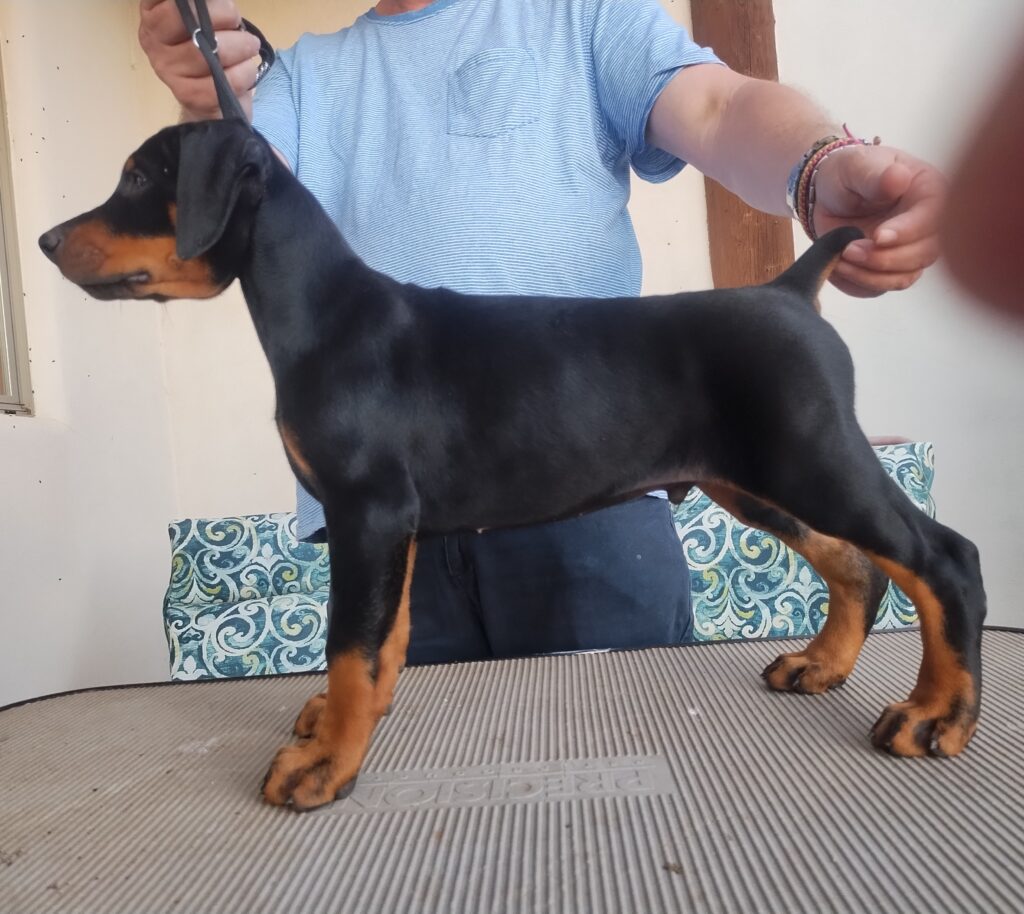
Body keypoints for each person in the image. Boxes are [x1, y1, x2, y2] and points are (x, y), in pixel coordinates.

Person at [139, 0, 946, 664]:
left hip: (591, 503)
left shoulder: (579, 13)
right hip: (386, 526)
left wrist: (820, 167)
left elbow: (720, 104)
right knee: (418, 803)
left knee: (641, 790)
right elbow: (236, 216)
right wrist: (211, 103)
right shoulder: (297, 77)